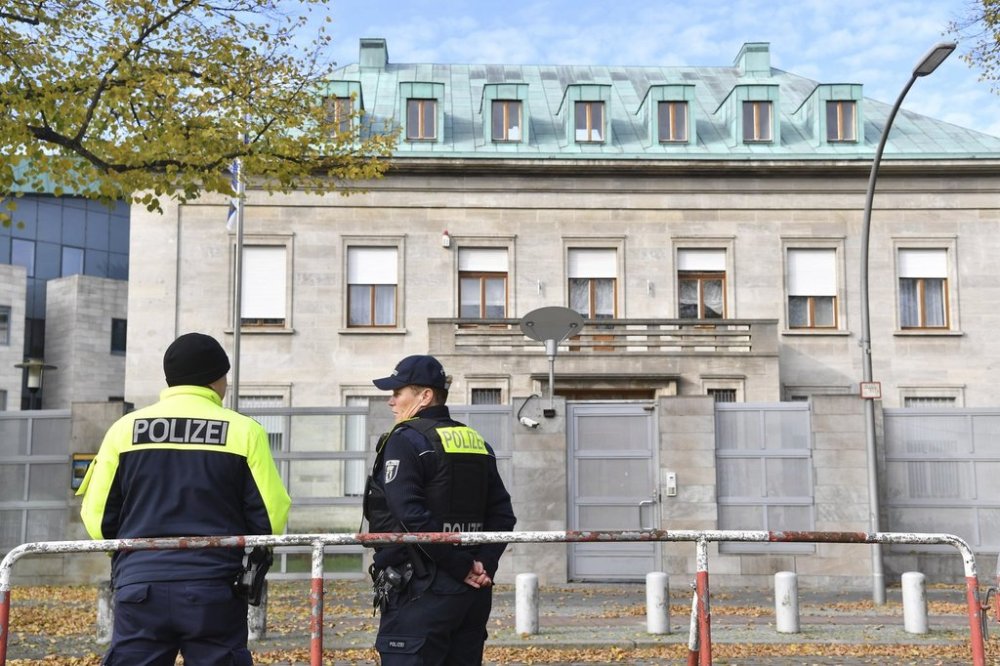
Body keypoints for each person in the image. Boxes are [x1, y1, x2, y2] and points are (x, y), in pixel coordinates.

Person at [77, 332, 291, 666]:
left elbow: (98, 519)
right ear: (217, 379)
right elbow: (269, 518)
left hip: (140, 585)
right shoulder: (244, 431)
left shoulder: (124, 429)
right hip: (214, 588)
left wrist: (132, 556)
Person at [364, 354, 517, 665]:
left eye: (397, 393)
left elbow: (409, 514)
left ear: (425, 396)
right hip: (471, 594)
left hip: (421, 588)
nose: (391, 402)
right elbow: (502, 514)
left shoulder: (405, 440)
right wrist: (483, 564)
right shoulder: (476, 441)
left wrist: (461, 567)